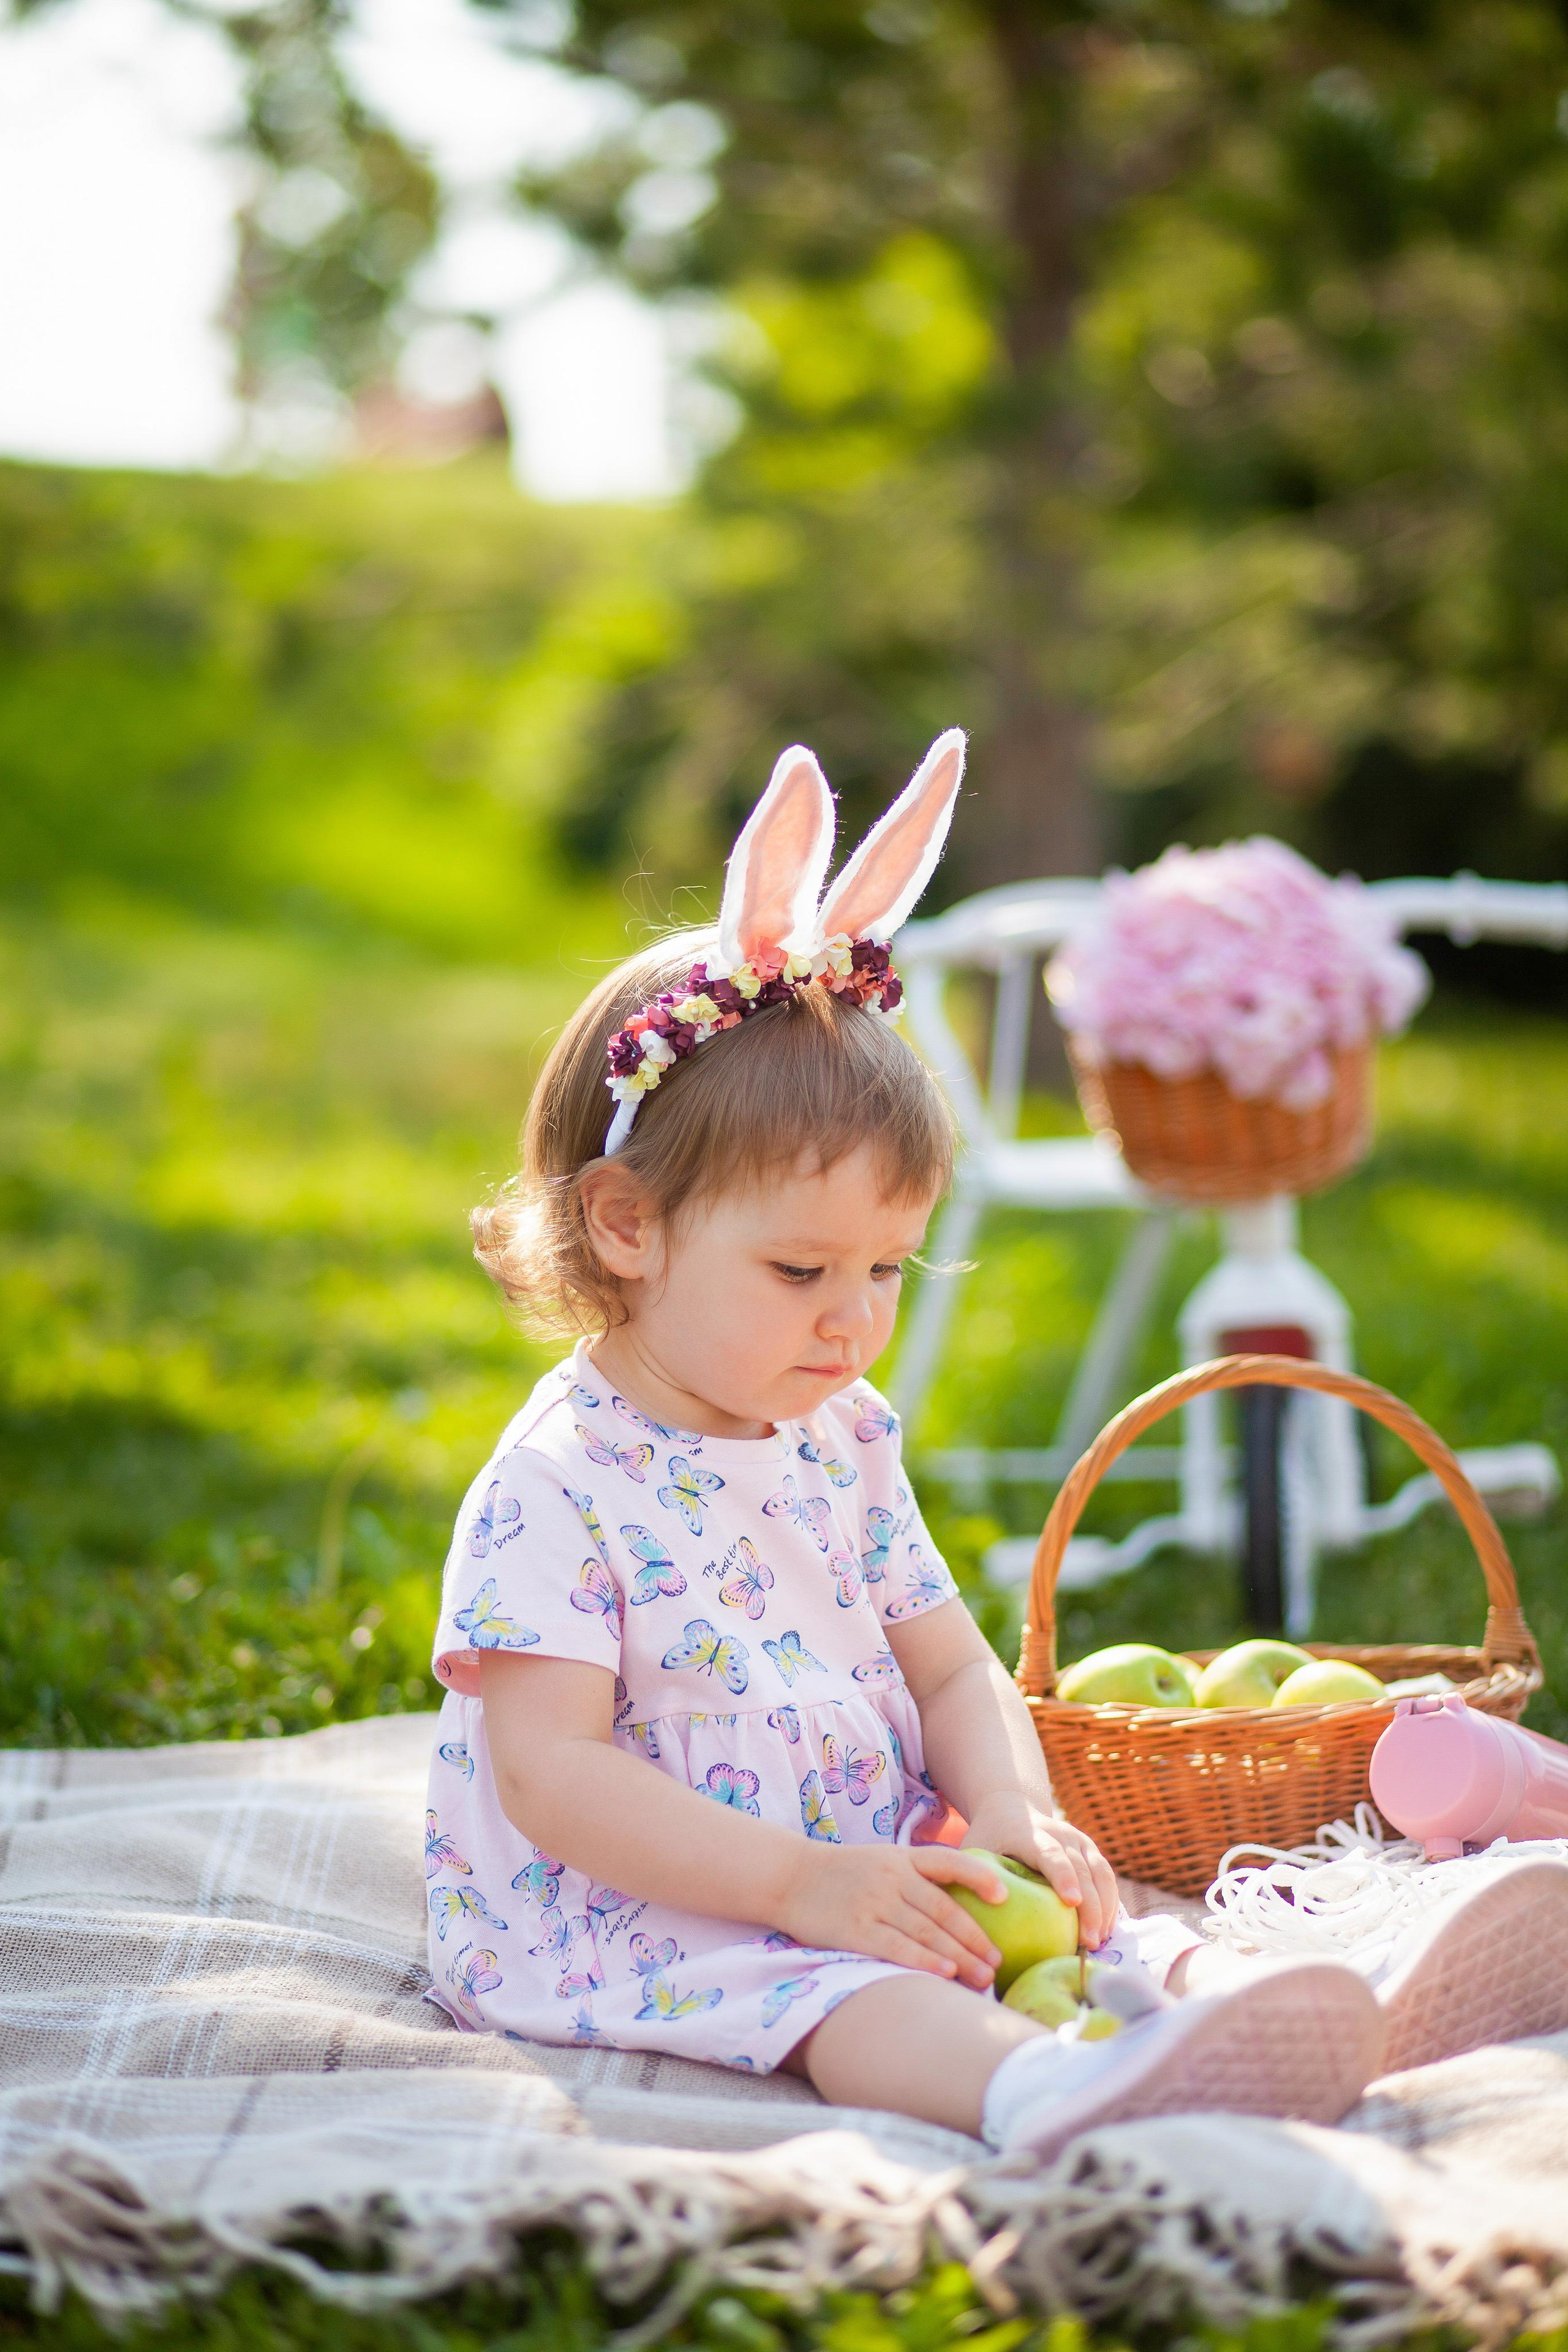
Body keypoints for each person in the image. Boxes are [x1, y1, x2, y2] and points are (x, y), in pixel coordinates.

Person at [423, 731, 1568, 2160]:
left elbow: (946, 1655)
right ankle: (1044, 2092)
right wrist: (798, 1885)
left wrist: (1013, 1807)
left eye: (888, 1271)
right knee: (846, 1999)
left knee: (1064, 1923)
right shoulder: (555, 1487)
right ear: (626, 1225)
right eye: (800, 1274)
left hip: (859, 1850)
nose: (852, 1326)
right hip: (651, 1902)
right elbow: (553, 1777)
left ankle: (1272, 2005)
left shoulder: (836, 1429)